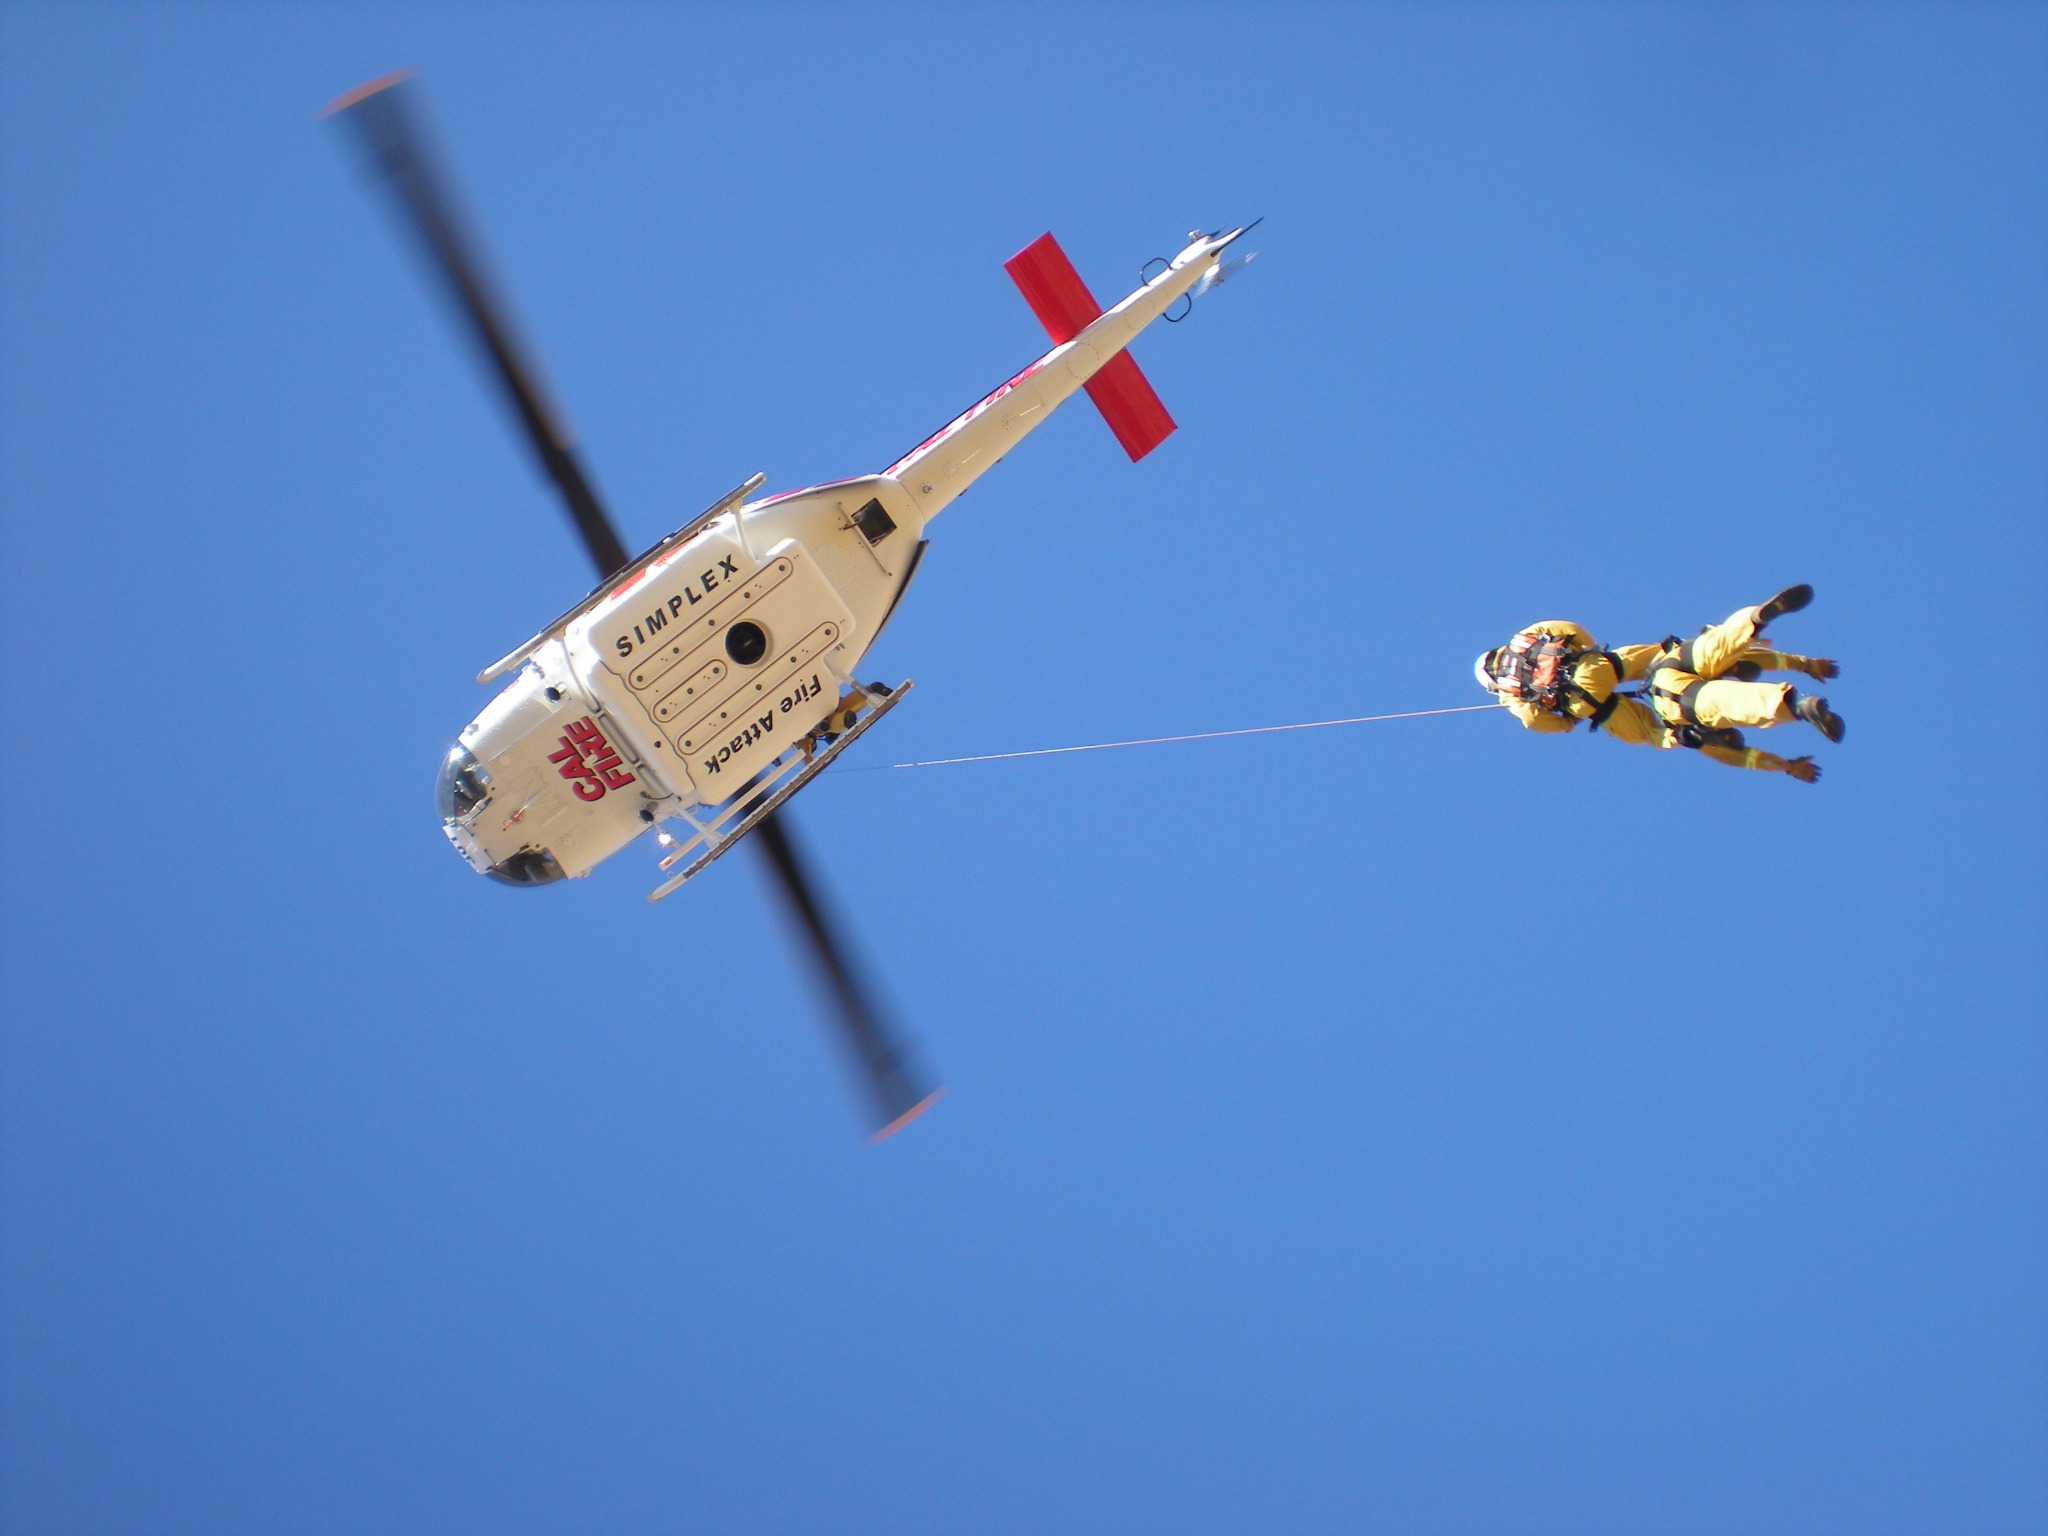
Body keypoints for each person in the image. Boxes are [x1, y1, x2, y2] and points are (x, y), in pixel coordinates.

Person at [1473, 584, 1845, 782]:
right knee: (1703, 648)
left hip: (1602, 702)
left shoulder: (1508, 692)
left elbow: (1536, 721)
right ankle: (1752, 620)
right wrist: (1806, 664)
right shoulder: (1526, 637)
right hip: (1619, 666)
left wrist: (1786, 766)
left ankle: (1796, 706)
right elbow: (1572, 630)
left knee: (1680, 720)